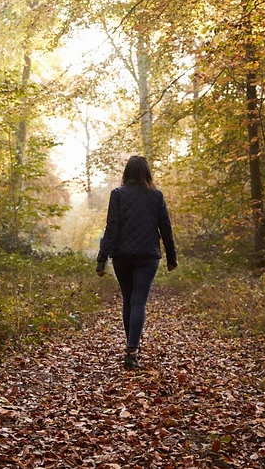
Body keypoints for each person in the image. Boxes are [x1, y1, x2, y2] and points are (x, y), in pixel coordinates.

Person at [96, 155, 177, 369]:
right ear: (147, 173)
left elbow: (111, 227)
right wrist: (171, 258)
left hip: (122, 255)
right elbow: (166, 228)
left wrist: (102, 259)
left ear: (127, 173)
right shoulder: (156, 196)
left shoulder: (118, 195)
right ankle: (132, 349)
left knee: (128, 300)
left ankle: (131, 347)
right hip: (148, 256)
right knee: (138, 301)